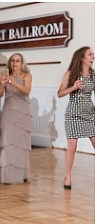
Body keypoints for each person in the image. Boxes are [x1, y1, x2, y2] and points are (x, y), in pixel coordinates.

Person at [56, 46, 95, 189]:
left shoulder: (93, 74)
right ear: (82, 58)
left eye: (93, 55)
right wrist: (73, 87)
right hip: (73, 115)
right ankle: (68, 176)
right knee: (72, 147)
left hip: (90, 114)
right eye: (90, 55)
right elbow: (59, 94)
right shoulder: (71, 73)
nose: (93, 57)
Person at [0, 53, 33, 184]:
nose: (15, 63)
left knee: (21, 145)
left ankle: (22, 175)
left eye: (17, 61)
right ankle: (6, 176)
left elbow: (27, 91)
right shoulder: (4, 75)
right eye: (12, 61)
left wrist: (15, 83)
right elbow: (0, 94)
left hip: (23, 113)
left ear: (22, 63)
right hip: (9, 112)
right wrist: (3, 85)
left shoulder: (27, 75)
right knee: (8, 143)